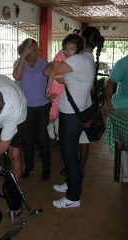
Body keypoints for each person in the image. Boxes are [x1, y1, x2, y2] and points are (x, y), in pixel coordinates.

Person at [44, 26, 105, 208]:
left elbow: (48, 71)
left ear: (83, 40)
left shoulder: (78, 59)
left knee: (69, 156)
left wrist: (61, 54)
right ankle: (70, 185)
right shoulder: (87, 59)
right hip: (74, 114)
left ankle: (73, 198)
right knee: (70, 155)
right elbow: (65, 78)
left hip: (71, 116)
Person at [12, 38, 51, 180]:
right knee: (27, 139)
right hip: (26, 108)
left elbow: (52, 81)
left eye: (37, 49)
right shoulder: (19, 63)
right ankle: (29, 166)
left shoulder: (44, 64)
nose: (37, 52)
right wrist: (23, 56)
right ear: (26, 51)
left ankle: (46, 167)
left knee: (42, 138)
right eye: (33, 50)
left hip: (43, 107)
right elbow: (17, 76)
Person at [105, 55, 128, 182]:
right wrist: (108, 103)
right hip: (121, 107)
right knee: (122, 140)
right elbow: (110, 83)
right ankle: (124, 173)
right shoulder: (123, 63)